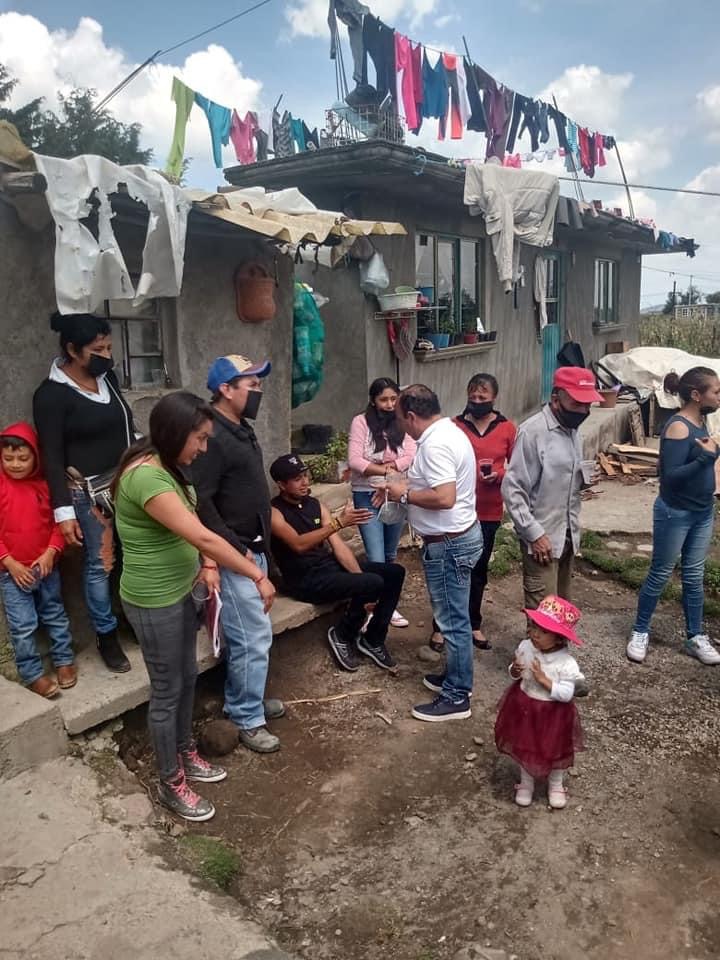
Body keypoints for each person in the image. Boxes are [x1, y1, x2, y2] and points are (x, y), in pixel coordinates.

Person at [113, 391, 276, 822]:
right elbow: (202, 534)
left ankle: (185, 752)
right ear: (175, 433)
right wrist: (256, 574)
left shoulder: (171, 465)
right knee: (167, 691)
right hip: (154, 601)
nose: (204, 447)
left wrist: (206, 564)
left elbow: (193, 525)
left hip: (182, 591)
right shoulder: (147, 476)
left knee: (186, 678)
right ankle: (170, 782)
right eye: (200, 438)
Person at [33, 312, 136, 674]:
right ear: (72, 350)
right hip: (89, 494)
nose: (107, 355)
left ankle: (133, 617)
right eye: (98, 349)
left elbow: (126, 426)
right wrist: (63, 513)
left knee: (133, 553)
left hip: (127, 482)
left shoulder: (108, 379)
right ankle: (106, 636)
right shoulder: (51, 395)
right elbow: (51, 456)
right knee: (100, 564)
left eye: (108, 347)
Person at [192, 355, 284, 755]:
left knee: (251, 634)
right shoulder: (211, 435)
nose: (259, 391)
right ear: (225, 390)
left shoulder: (241, 428)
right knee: (252, 637)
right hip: (234, 553)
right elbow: (202, 501)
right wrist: (231, 546)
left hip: (252, 548)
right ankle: (246, 717)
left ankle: (247, 699)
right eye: (252, 385)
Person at [380, 385, 483, 722]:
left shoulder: (436, 444)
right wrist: (401, 485)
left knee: (453, 621)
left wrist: (403, 495)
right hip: (457, 537)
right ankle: (455, 676)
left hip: (449, 544)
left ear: (411, 416)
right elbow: (435, 484)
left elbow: (444, 497)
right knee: (454, 616)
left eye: (400, 418)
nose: (399, 425)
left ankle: (457, 696)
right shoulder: (448, 432)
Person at [269, 454, 405, 672]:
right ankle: (343, 634)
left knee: (394, 572)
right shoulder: (274, 513)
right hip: (305, 579)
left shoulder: (316, 505)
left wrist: (360, 578)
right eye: (296, 479)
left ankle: (373, 639)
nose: (304, 482)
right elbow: (298, 544)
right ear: (281, 485)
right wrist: (338, 523)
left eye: (305, 476)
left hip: (329, 568)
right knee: (371, 582)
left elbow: (338, 547)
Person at [627, 367, 720, 666]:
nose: (719, 397)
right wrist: (706, 457)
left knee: (694, 576)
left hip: (702, 511)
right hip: (676, 513)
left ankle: (695, 636)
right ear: (696, 395)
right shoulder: (678, 427)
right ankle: (640, 630)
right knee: (660, 573)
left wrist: (710, 456)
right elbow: (670, 476)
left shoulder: (701, 421)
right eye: (716, 391)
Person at [501, 367, 603, 609]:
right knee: (544, 616)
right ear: (556, 399)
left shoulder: (572, 430)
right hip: (542, 540)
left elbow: (555, 477)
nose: (584, 411)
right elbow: (513, 490)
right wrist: (534, 535)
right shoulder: (533, 432)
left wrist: (582, 479)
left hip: (567, 533)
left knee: (562, 611)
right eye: (577, 404)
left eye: (588, 405)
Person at [0, 422, 74, 698]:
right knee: (22, 626)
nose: (15, 464)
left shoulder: (44, 486)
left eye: (23, 458)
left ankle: (64, 661)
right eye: (8, 458)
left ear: (36, 457)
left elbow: (58, 524)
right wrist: (9, 563)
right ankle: (32, 674)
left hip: (45, 568)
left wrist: (51, 552)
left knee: (55, 614)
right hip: (12, 574)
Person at [495, 595, 585, 809]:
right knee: (525, 745)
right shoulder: (526, 646)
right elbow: (516, 672)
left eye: (543, 631)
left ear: (559, 638)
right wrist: (514, 670)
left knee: (555, 749)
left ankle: (556, 785)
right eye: (534, 627)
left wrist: (545, 681)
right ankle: (526, 783)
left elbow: (566, 694)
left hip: (553, 714)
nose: (535, 633)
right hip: (524, 706)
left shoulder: (566, 663)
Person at [449, 372, 517, 650]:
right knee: (452, 569)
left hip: (488, 510)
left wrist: (499, 475)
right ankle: (443, 626)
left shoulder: (507, 428)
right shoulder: (454, 427)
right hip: (455, 510)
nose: (477, 400)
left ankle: (473, 624)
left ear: (494, 398)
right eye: (473, 396)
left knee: (478, 569)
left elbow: (519, 468)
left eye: (483, 396)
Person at [348, 378, 417, 628]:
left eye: (393, 399)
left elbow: (411, 454)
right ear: (373, 400)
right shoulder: (361, 422)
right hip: (367, 494)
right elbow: (355, 460)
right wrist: (386, 472)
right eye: (383, 399)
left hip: (396, 494)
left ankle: (387, 604)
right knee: (375, 556)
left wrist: (387, 477)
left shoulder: (403, 420)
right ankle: (371, 607)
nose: (389, 404)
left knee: (389, 554)